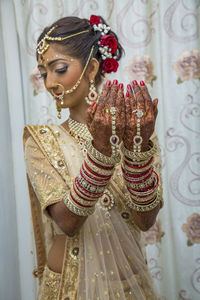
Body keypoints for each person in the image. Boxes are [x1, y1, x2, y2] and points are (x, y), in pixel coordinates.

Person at [23, 14, 163, 300]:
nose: (49, 82)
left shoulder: (136, 130)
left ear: (93, 68)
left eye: (58, 69)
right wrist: (101, 154)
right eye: (43, 73)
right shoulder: (40, 141)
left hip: (129, 285)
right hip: (69, 289)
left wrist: (136, 154)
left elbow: (146, 221)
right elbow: (67, 222)